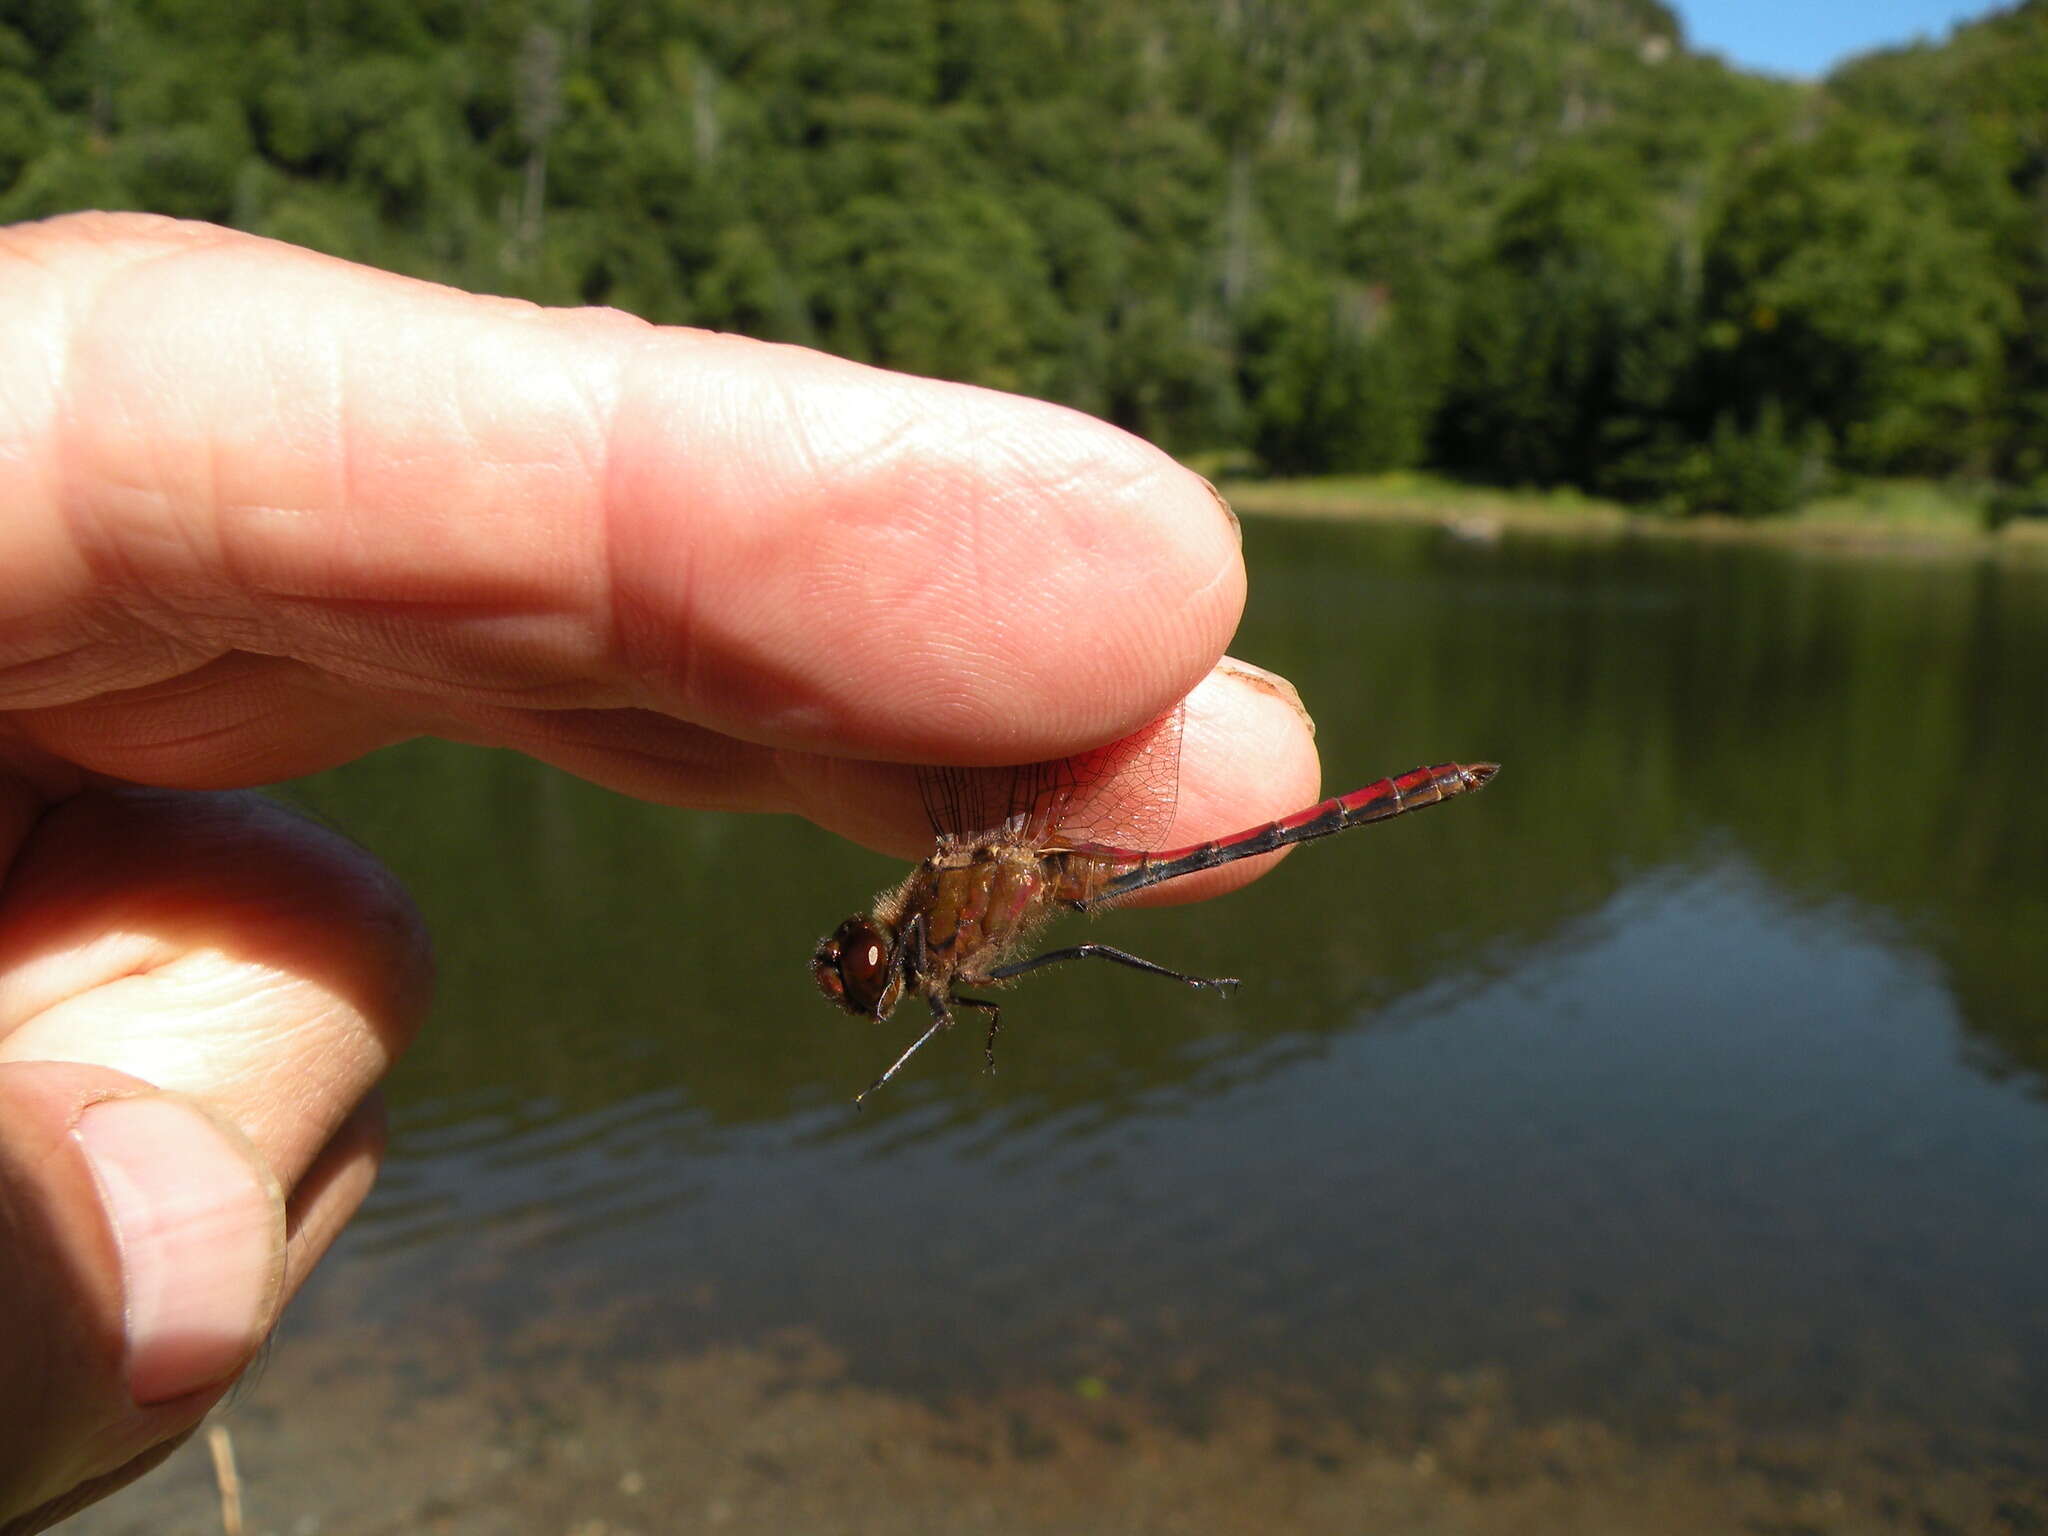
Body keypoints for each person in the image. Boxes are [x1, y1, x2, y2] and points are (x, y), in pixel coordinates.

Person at [0, 211, 1321, 1531]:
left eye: (861, 971)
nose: (859, 970)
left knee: (1108, 918)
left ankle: (1248, 902)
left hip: (1056, 864)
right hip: (1026, 865)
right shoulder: (943, 926)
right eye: (863, 970)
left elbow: (968, 998)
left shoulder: (949, 916)